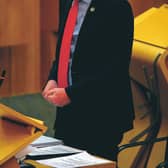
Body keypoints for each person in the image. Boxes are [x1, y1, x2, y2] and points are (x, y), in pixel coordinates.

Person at [42, 0, 134, 161]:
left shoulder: (117, 6)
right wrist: (53, 78)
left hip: (100, 114)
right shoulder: (67, 2)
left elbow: (114, 69)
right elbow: (66, 48)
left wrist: (71, 94)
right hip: (68, 113)